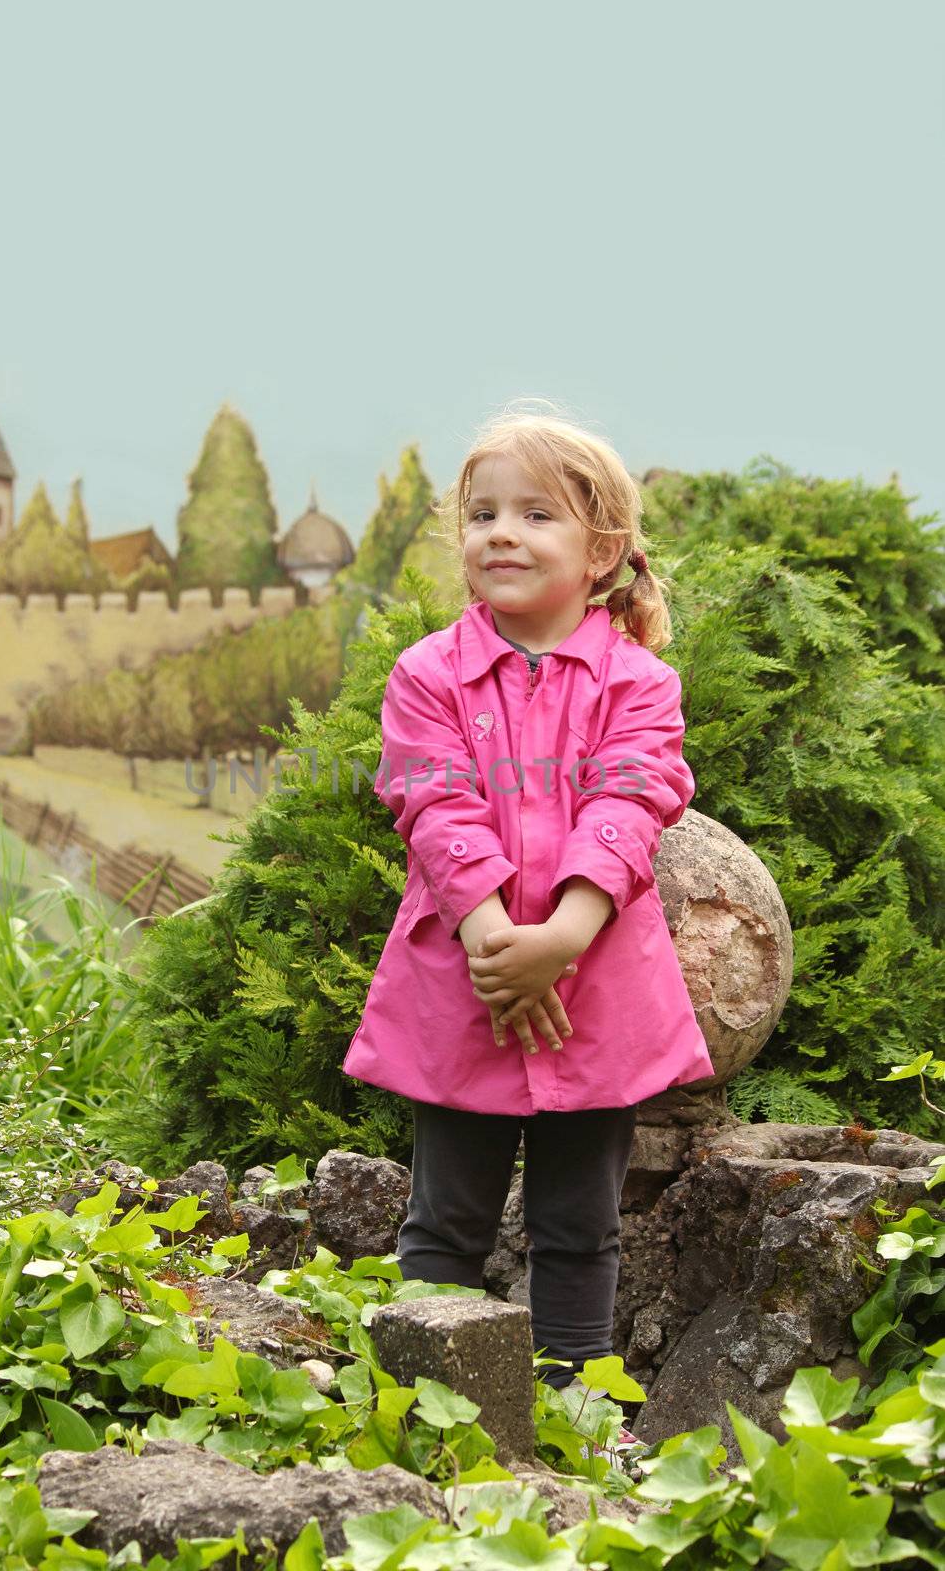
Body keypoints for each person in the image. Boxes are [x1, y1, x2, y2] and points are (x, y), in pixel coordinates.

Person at [342, 407, 716, 1460]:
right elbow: (430, 799)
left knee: (576, 1223)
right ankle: (418, 1408)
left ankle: (572, 1413)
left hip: (592, 988)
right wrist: (499, 936)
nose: (500, 532)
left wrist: (566, 932)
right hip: (462, 975)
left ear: (600, 552)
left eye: (534, 513)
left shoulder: (638, 681)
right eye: (482, 513)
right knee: (444, 1218)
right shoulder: (426, 673)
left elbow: (635, 794)